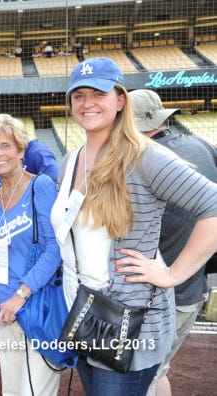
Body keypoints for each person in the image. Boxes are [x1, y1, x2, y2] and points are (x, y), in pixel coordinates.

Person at [50, 57, 217, 396]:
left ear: (120, 100)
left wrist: (172, 274)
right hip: (83, 314)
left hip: (130, 323)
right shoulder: (71, 159)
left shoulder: (144, 157)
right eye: (78, 95)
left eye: (98, 93)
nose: (87, 103)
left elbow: (212, 205)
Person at [129, 89, 217, 396]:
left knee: (138, 377)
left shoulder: (142, 158)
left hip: (153, 295)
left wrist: (171, 275)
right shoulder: (203, 146)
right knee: (157, 372)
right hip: (192, 288)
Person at [0, 114, 62, 395]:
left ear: (21, 150)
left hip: (38, 306)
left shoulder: (41, 186)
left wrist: (22, 294)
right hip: (4, 308)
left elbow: (54, 250)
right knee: (12, 391)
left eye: (6, 145)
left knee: (35, 392)